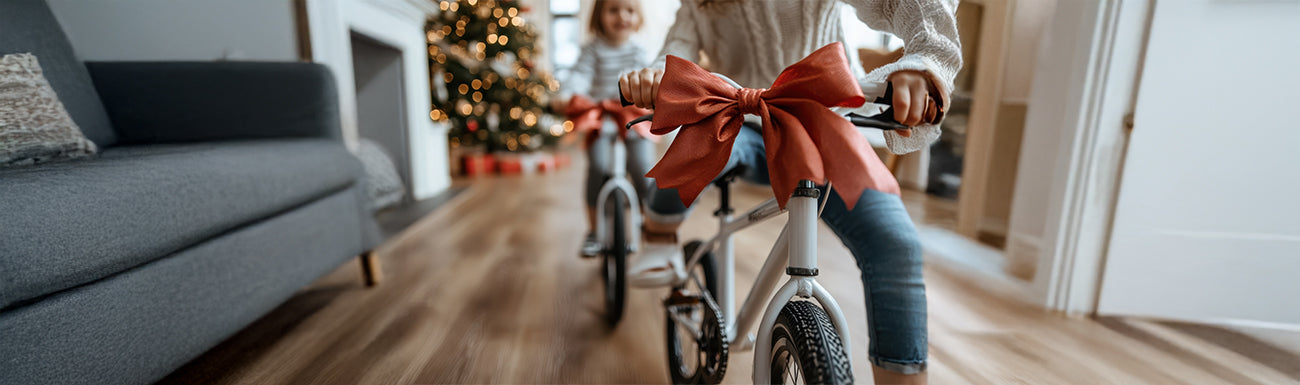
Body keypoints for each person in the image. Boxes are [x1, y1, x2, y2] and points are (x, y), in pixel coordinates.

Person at [618, 1, 961, 384]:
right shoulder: (699, 5)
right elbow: (677, 50)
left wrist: (924, 58)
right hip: (739, 121)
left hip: (822, 121)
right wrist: (654, 76)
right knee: (685, 159)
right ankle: (659, 233)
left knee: (896, 244)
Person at [552, 0, 657, 256]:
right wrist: (568, 94)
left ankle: (649, 223)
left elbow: (651, 78)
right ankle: (594, 230)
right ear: (599, 15)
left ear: (638, 17)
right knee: (597, 167)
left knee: (644, 168)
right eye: (613, 10)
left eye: (629, 10)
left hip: (632, 116)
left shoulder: (638, 52)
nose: (622, 16)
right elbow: (579, 77)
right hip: (601, 118)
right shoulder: (592, 50)